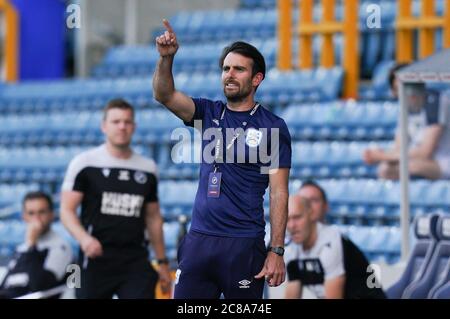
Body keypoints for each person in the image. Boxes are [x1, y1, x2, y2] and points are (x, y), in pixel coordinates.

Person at [153, 20, 292, 299]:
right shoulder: (207, 112)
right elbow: (163, 94)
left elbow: (279, 192)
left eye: (239, 69)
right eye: (226, 68)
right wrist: (166, 59)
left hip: (243, 244)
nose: (229, 74)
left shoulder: (273, 127)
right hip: (199, 240)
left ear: (256, 79)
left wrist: (276, 250)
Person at [60, 99, 171, 299]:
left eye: (127, 122)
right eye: (116, 121)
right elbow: (66, 210)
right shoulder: (84, 164)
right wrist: (84, 239)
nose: (122, 126)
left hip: (135, 259)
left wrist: (162, 262)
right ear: (104, 126)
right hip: (95, 258)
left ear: (134, 127)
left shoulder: (147, 168)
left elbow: (153, 218)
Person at [284, 194, 386, 299]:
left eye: (297, 217)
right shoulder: (292, 247)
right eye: (286, 219)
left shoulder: (330, 240)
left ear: (311, 214)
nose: (291, 225)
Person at [363, 64, 450, 180]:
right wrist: (384, 156)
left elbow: (425, 152)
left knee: (410, 167)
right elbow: (399, 146)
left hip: (443, 162)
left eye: (411, 85)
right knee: (385, 169)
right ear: (394, 92)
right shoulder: (404, 108)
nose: (409, 92)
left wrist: (382, 155)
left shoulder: (436, 101)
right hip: (421, 162)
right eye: (401, 88)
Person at [0, 191, 73, 299]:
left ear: (51, 215)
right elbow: (5, 284)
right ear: (24, 217)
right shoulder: (22, 249)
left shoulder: (60, 248)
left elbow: (39, 285)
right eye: (31, 213)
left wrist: (31, 245)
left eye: (42, 212)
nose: (37, 218)